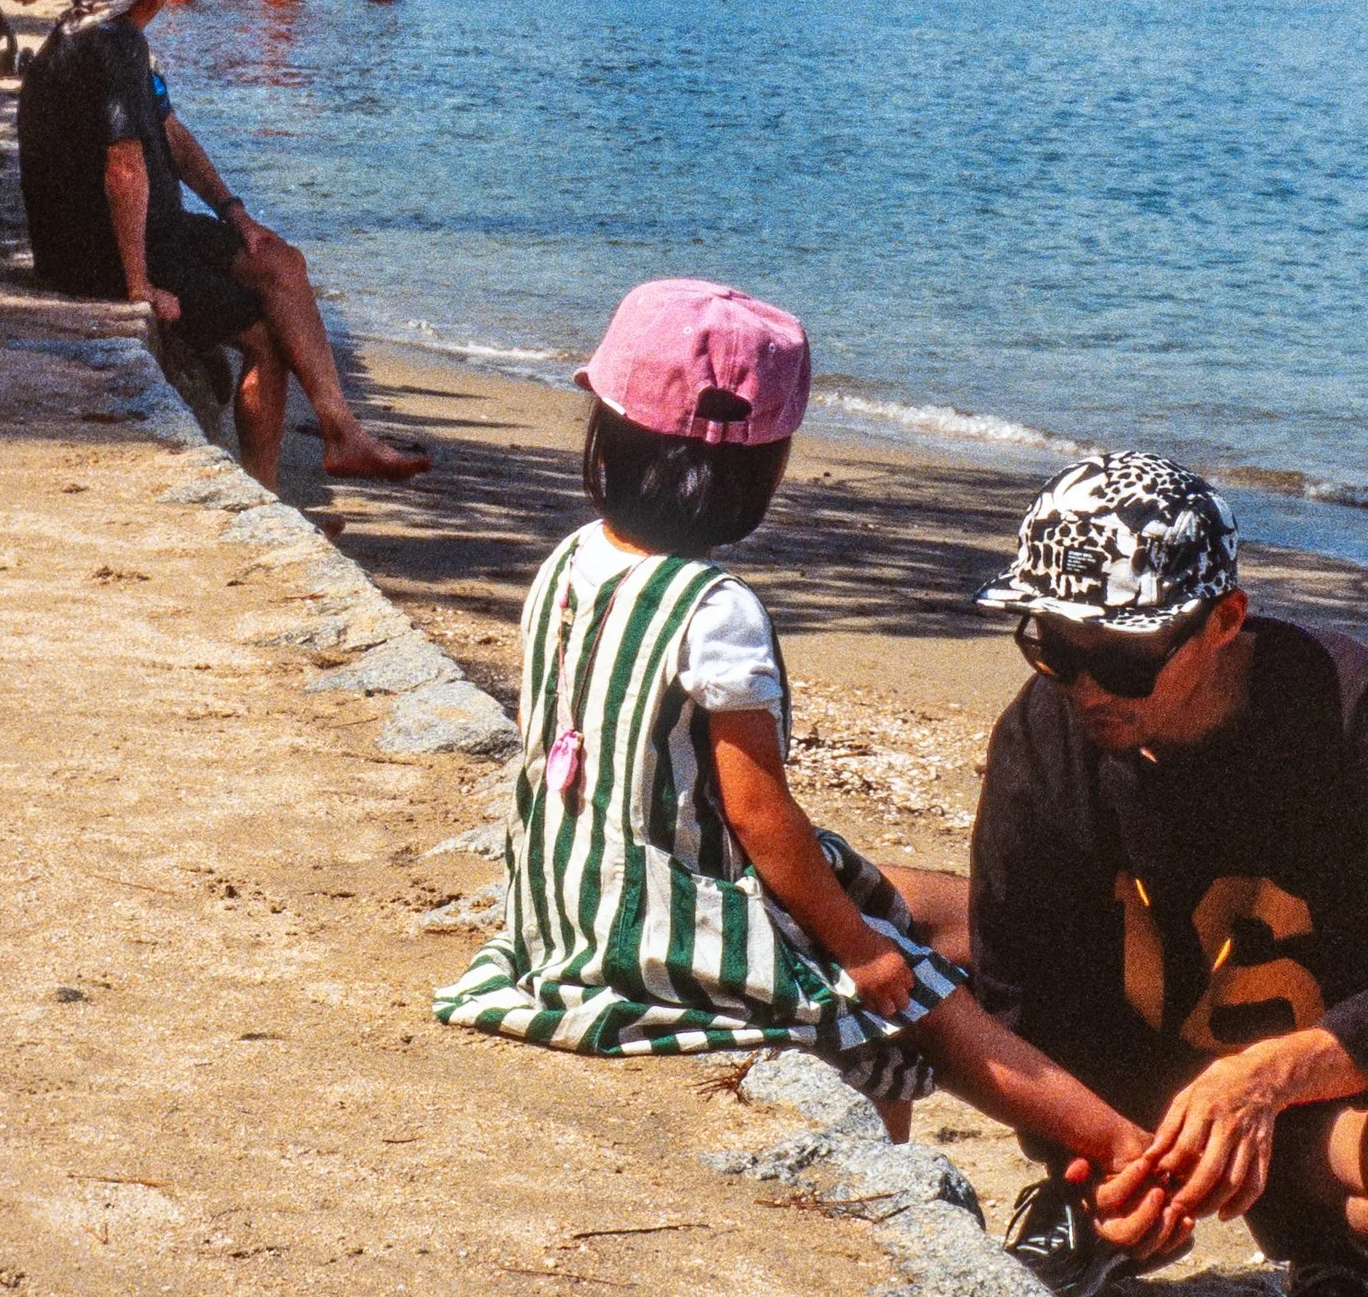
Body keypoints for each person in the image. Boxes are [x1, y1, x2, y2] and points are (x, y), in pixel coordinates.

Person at [434, 282, 1191, 1228]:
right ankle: (1118, 1149)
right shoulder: (715, 613)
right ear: (763, 470)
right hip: (667, 915)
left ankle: (1080, 1141)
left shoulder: (570, 561)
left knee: (946, 920)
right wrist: (857, 948)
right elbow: (757, 812)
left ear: (607, 434)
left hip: (569, 890)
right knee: (917, 994)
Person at [968, 450, 1368, 1297]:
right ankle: (1094, 1207)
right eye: (1052, 643)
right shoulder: (1048, 733)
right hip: (1130, 1077)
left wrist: (1270, 1078)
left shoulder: (1349, 711)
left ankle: (1339, 1258)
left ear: (1224, 621)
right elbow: (1024, 977)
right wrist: (1101, 1154)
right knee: (860, 933)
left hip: (1314, 1085)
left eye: (1123, 654)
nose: (1086, 686)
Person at [15, 0, 430, 488]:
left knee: (279, 261)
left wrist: (235, 213)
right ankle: (267, 491)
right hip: (99, 250)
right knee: (265, 340)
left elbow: (172, 135)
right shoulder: (110, 46)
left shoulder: (110, 37)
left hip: (153, 230)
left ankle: (342, 432)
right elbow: (123, 169)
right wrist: (138, 286)